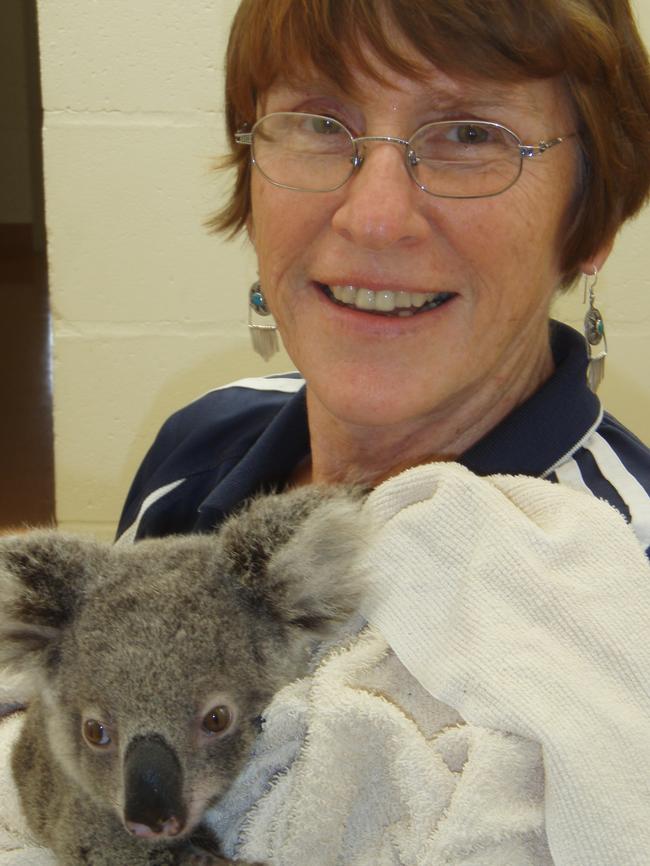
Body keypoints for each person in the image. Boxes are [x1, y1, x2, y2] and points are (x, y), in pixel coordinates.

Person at [1, 1, 649, 865]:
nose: (374, 217)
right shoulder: (199, 447)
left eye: (469, 134)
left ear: (592, 220)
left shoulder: (617, 579)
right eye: (317, 122)